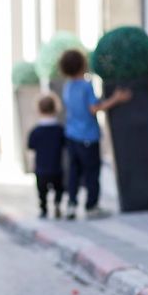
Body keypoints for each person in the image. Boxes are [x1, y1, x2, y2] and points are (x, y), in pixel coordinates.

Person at [58, 49, 131, 220]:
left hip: (71, 136)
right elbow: (94, 108)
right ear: (83, 64)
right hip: (88, 137)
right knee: (91, 172)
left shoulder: (67, 87)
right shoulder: (86, 85)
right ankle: (91, 206)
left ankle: (71, 204)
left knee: (74, 172)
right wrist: (116, 99)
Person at [27, 95, 66, 219]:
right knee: (59, 188)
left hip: (41, 168)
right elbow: (65, 145)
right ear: (55, 108)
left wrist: (31, 164)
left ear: (39, 110)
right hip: (56, 166)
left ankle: (44, 209)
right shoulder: (60, 130)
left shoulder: (35, 131)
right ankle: (57, 204)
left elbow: (31, 149)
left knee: (42, 191)